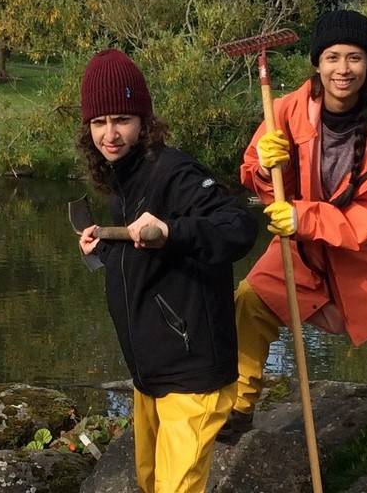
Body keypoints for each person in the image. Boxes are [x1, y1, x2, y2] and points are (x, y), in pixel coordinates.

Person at [227, 9, 367, 493]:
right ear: (316, 65)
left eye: (355, 58)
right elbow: (259, 180)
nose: (343, 68)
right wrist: (263, 169)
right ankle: (237, 407)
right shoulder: (281, 111)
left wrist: (302, 218)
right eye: (332, 57)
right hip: (314, 249)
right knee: (251, 301)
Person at [73, 49, 260, 492]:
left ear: (143, 121)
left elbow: (238, 226)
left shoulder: (174, 173)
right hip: (149, 377)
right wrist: (103, 248)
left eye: (121, 119)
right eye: (99, 123)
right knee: (149, 482)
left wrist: (171, 230)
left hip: (191, 375)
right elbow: (144, 262)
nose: (110, 134)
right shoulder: (122, 180)